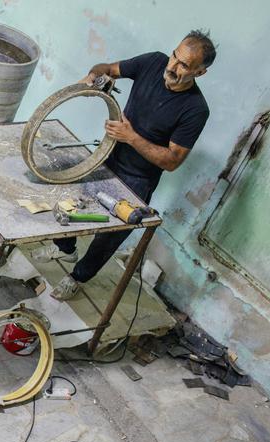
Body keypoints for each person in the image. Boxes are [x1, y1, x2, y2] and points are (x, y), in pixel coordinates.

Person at [37, 31, 215, 300]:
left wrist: (130, 137)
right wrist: (94, 77)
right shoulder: (154, 62)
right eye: (174, 56)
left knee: (108, 236)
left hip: (138, 179)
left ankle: (78, 277)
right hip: (107, 155)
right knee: (68, 201)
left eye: (183, 65)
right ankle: (65, 248)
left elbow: (172, 161)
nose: (172, 66)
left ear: (199, 73)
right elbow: (107, 68)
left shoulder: (195, 109)